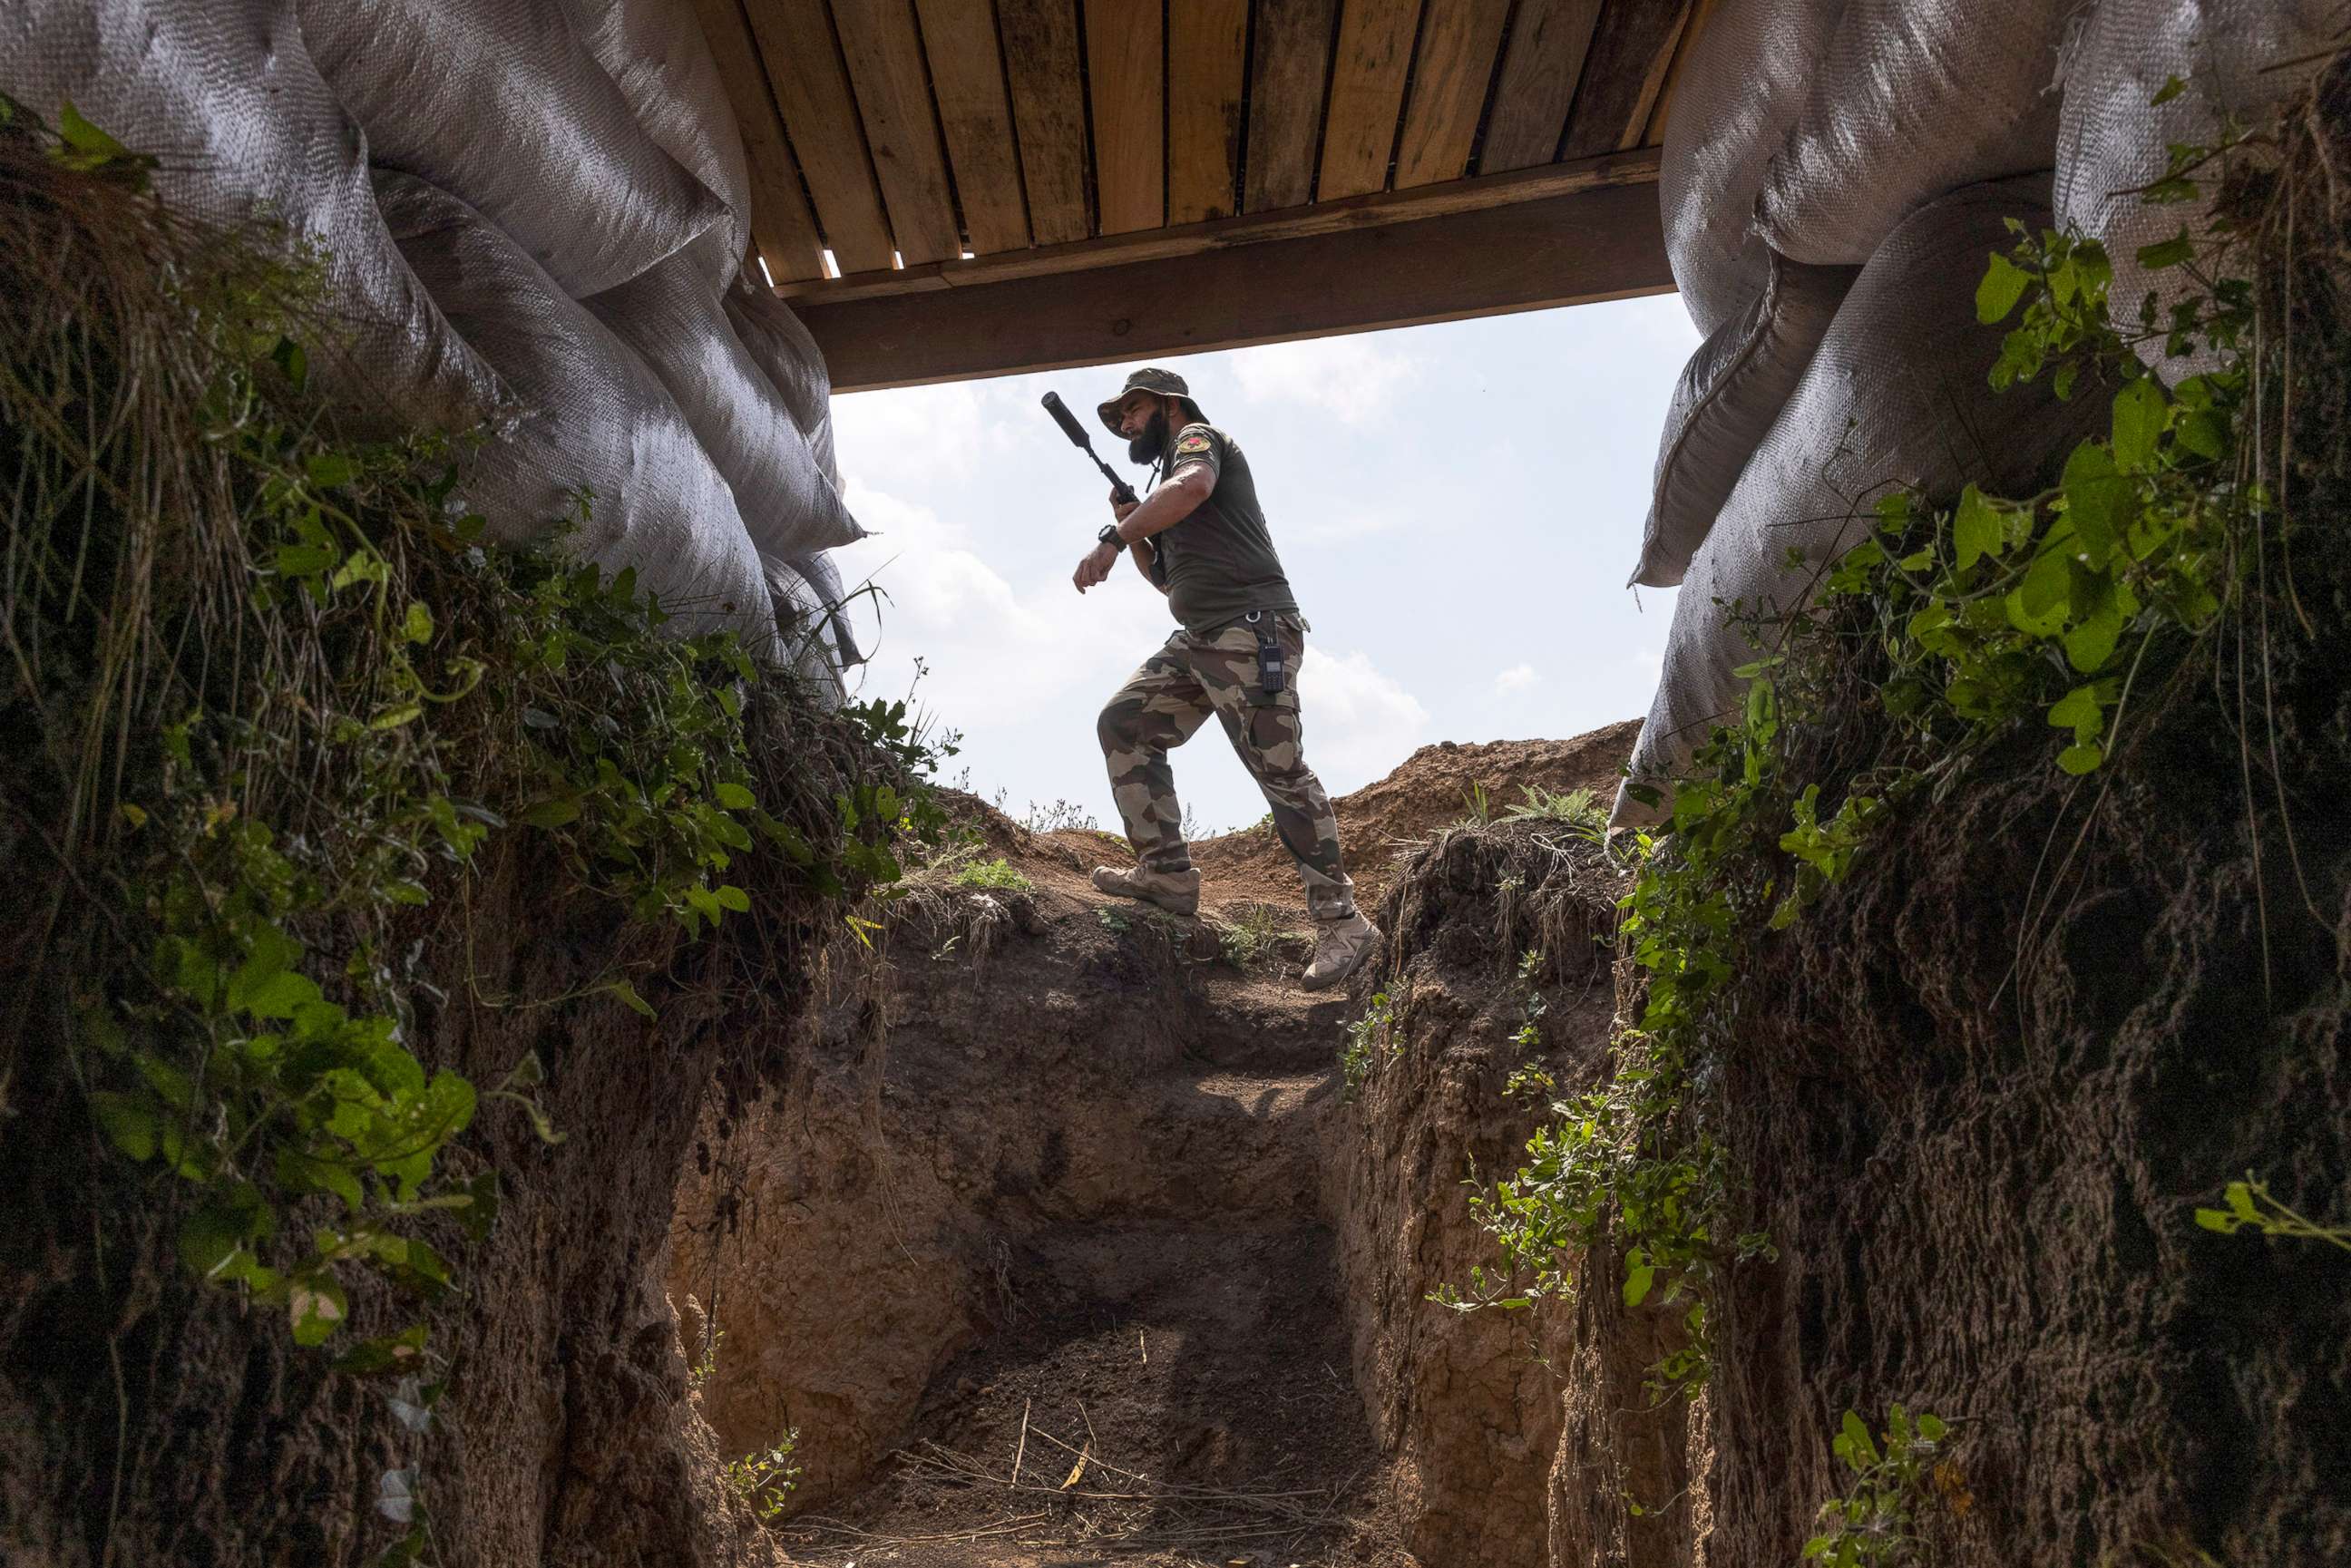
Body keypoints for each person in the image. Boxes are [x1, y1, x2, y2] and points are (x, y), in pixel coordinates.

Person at [1070, 366, 1380, 992]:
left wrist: (1113, 535)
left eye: (1132, 412)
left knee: (1279, 768)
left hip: (1249, 630)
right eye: (1121, 419)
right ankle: (1166, 873)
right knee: (1125, 723)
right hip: (1201, 635)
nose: (1126, 425)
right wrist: (1136, 530)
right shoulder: (1168, 487)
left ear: (1168, 405)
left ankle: (1344, 922)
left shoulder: (1197, 442)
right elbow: (1168, 582)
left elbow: (1194, 485)